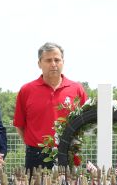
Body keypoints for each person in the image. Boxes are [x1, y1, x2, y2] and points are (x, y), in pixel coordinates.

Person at [13, 42, 89, 170]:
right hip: (36, 156)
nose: (53, 64)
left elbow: (87, 122)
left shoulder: (77, 89)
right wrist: (34, 146)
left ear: (63, 62)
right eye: (48, 60)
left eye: (57, 60)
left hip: (69, 153)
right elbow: (19, 125)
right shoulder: (26, 90)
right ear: (39, 63)